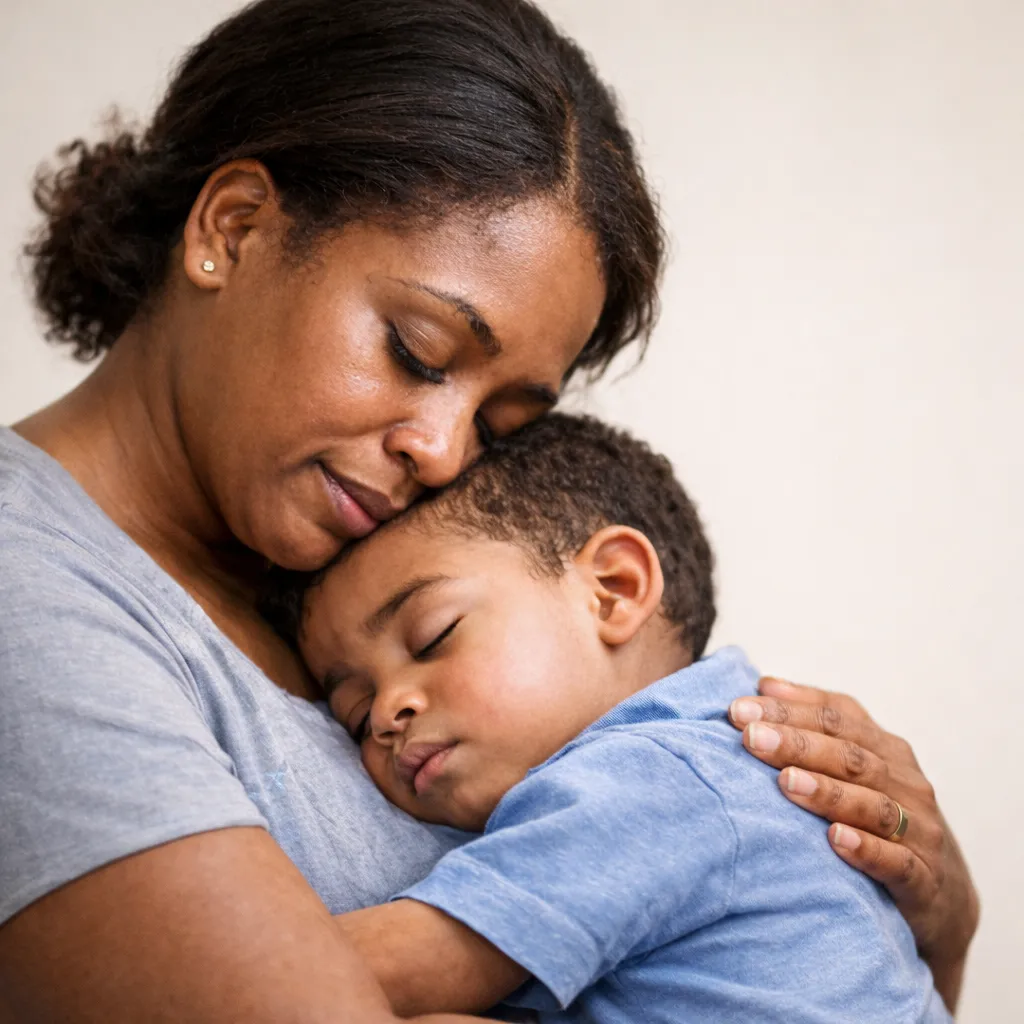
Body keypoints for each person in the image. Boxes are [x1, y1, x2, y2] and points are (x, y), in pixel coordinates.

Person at [0, 1, 976, 1021]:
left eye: (502, 423)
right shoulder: (31, 588)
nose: (441, 451)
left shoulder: (355, 572)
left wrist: (933, 915)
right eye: (416, 351)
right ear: (234, 227)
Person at [294, 412, 952, 1022]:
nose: (385, 712)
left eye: (433, 636)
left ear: (613, 589)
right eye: (354, 714)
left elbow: (357, 971)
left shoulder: (652, 780)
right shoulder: (724, 764)